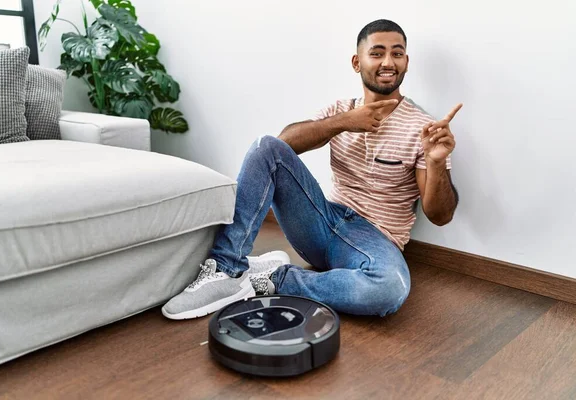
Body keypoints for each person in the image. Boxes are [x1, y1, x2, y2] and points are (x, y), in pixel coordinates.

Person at [162, 19, 462, 320]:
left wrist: (435, 162)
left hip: (373, 239)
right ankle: (226, 268)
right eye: (377, 53)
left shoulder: (423, 128)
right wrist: (345, 121)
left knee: (388, 288)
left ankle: (270, 280)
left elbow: (440, 215)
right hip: (321, 222)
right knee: (264, 145)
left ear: (406, 62)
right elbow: (279, 146)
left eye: (397, 54)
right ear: (357, 62)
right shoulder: (341, 110)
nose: (388, 62)